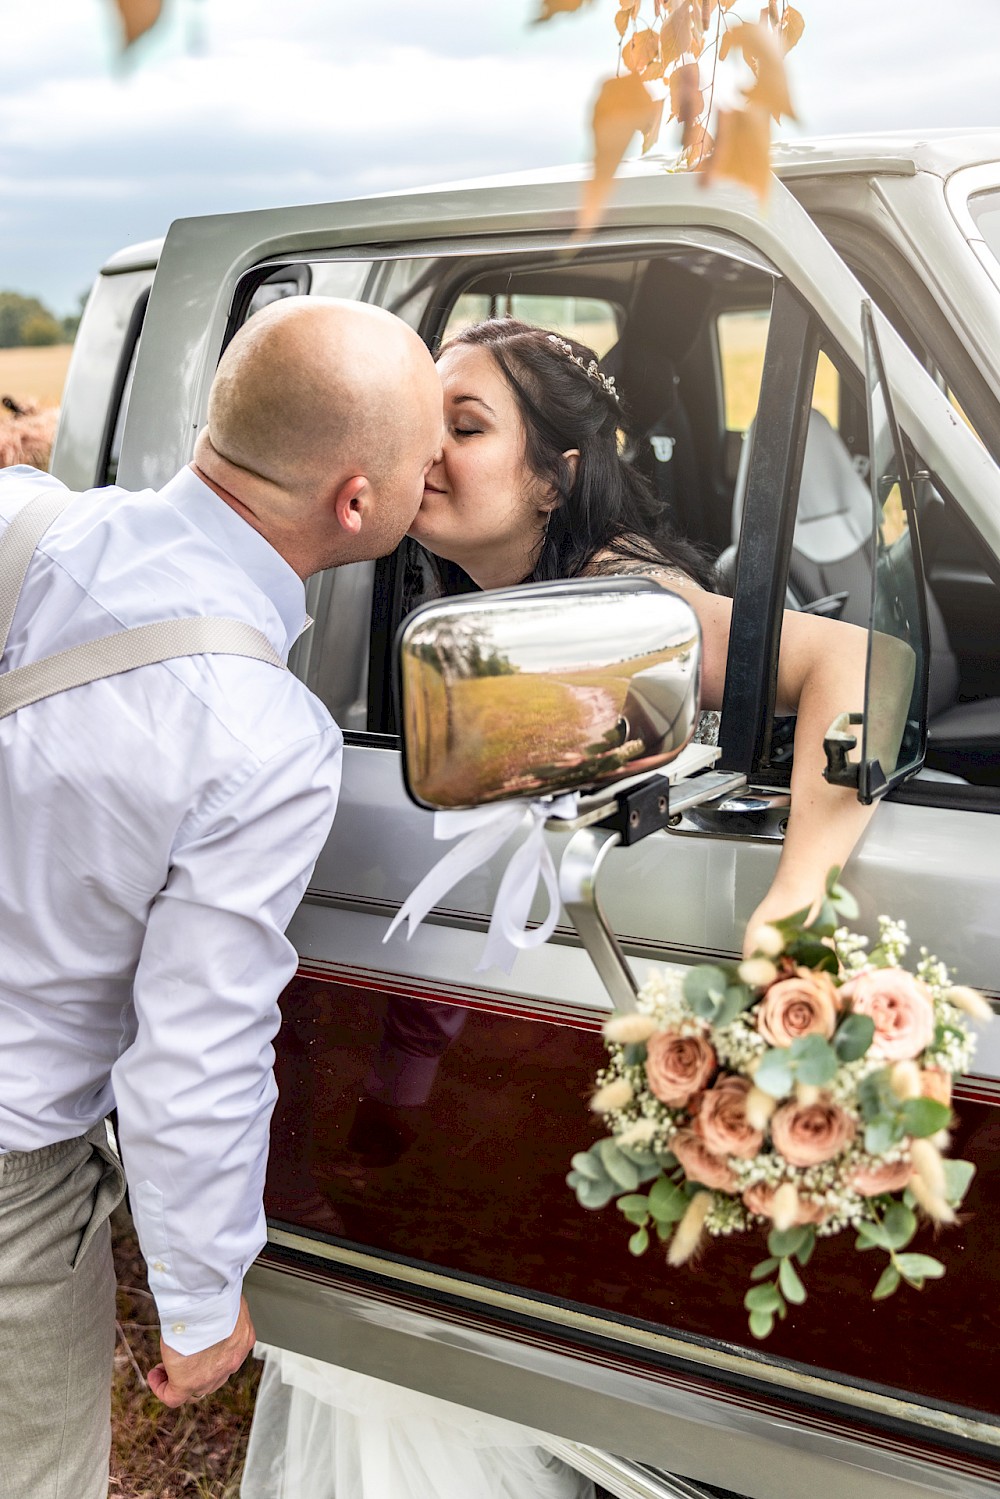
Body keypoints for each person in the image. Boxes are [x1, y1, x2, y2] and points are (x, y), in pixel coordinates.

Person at [0, 294, 444, 1499]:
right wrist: (199, 1302)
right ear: (357, 504)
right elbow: (194, 1043)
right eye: (424, 455)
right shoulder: (260, 734)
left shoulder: (22, 520)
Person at [410, 316, 905, 954]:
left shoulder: (622, 603)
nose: (428, 449)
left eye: (466, 428)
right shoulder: (485, 589)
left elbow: (866, 659)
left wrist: (796, 903)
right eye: (424, 425)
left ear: (554, 480)